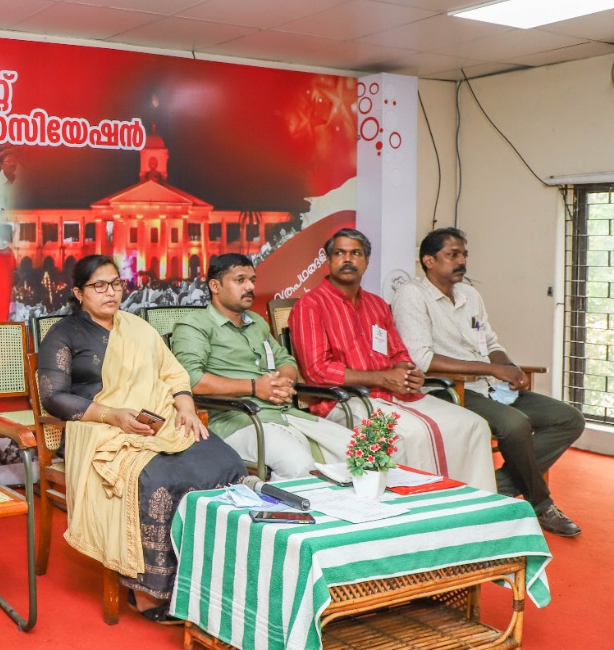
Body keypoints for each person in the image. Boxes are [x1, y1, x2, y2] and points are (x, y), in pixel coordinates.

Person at [37, 254, 245, 622]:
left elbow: (174, 374)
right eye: (99, 286)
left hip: (157, 419)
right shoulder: (64, 334)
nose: (110, 292)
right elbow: (53, 397)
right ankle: (149, 593)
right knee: (158, 480)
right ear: (79, 293)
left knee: (226, 462)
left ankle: (212, 579)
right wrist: (113, 415)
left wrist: (185, 406)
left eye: (116, 284)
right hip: (97, 426)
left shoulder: (138, 328)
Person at [393, 228, 584, 536]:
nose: (462, 261)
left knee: (569, 418)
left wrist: (508, 366)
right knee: (515, 424)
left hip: (490, 387)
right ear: (429, 260)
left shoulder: (469, 295)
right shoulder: (411, 295)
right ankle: (541, 504)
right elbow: (421, 358)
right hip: (447, 390)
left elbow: (491, 343)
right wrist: (492, 369)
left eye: (464, 254)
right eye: (452, 255)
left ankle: (492, 488)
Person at [289, 228, 495, 491]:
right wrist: (382, 378)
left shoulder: (376, 304)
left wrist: (409, 373)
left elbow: (399, 354)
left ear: (366, 261)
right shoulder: (310, 305)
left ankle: (471, 502)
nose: (348, 259)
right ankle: (417, 507)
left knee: (473, 425)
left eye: (356, 253)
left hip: (396, 395)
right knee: (405, 436)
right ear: (328, 260)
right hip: (344, 401)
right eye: (340, 253)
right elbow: (318, 371)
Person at [173, 254, 353, 479]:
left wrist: (282, 382)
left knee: (358, 452)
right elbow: (191, 380)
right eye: (240, 280)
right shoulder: (194, 325)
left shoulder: (256, 322)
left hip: (284, 414)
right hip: (239, 420)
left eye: (252, 280)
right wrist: (254, 387)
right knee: (299, 466)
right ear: (215, 286)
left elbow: (286, 361)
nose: (250, 287)